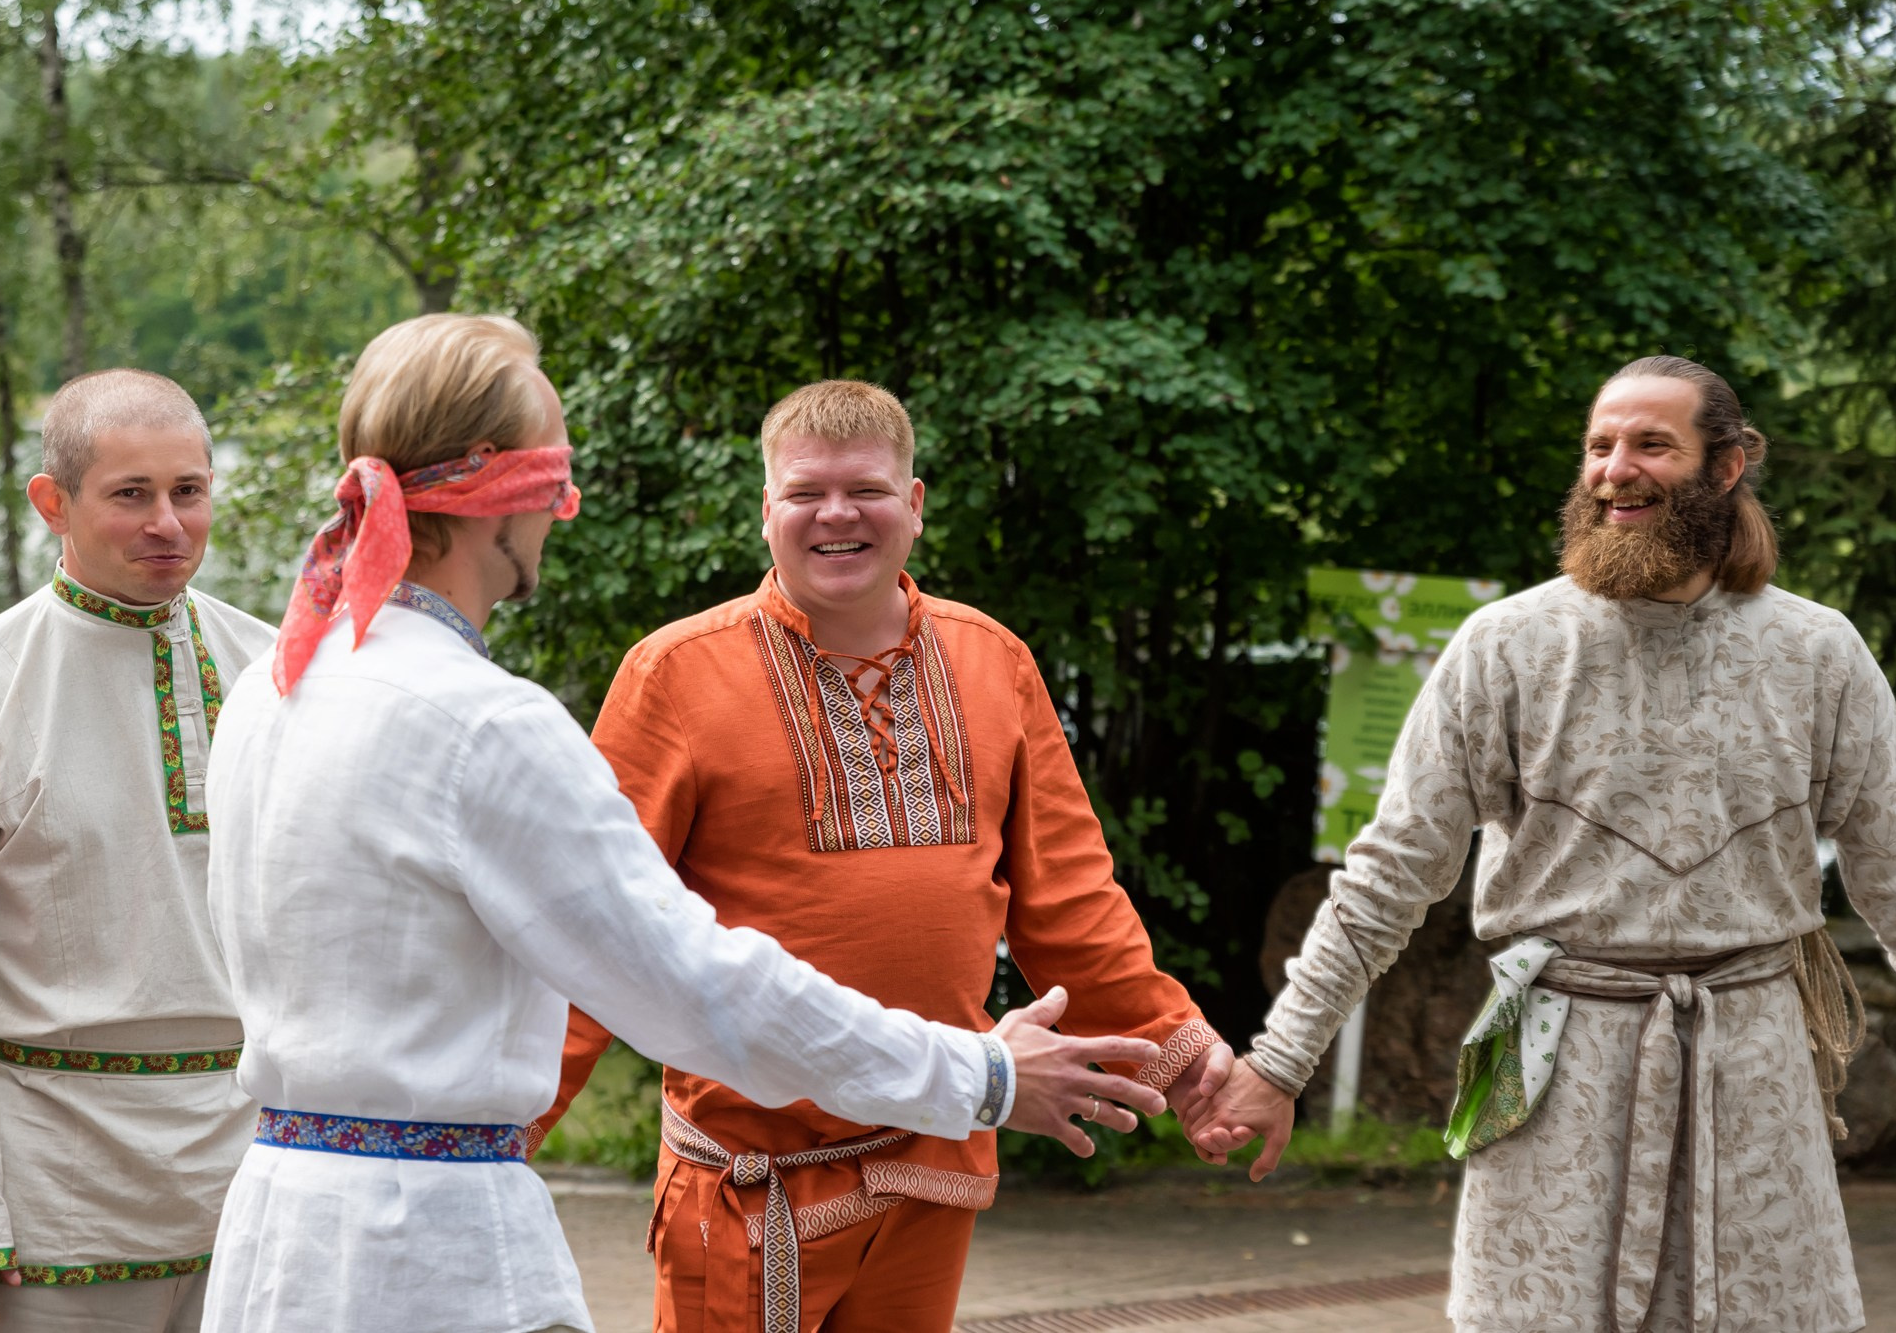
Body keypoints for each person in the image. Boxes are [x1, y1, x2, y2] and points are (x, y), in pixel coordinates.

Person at [197, 313, 1169, 1333]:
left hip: (278, 1232)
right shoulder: (484, 722)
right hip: (430, 1255)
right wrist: (979, 1070)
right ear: (509, 494)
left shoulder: (272, 684)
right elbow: (695, 984)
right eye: (555, 472)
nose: (562, 511)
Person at [1194, 355, 1896, 1333]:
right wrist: (1275, 1064)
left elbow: (1891, 875)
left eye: (1652, 443)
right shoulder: (1504, 647)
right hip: (1547, 1058)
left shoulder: (1818, 654)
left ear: (1726, 465)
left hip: (1753, 1059)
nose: (1615, 466)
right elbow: (1387, 875)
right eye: (1599, 444)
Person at [531, 378, 1230, 1332]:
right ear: (765, 509)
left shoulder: (996, 661)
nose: (835, 515)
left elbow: (1069, 902)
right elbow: (590, 926)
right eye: (804, 492)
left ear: (915, 503)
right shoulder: (674, 674)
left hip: (936, 1156)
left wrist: (1188, 1063)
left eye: (864, 489)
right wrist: (497, 1131)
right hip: (753, 1184)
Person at [0, 370, 274, 1330]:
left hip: (259, 1180)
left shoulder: (274, 673)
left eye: (189, 490)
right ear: (53, 502)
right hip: (56, 1199)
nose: (167, 523)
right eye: (130, 494)